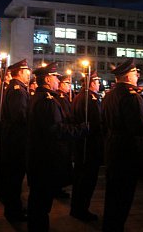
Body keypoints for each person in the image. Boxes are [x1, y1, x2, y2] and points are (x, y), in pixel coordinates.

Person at [26, 62, 86, 232]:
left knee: (38, 201)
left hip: (38, 157)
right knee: (41, 203)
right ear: (46, 79)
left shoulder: (38, 97)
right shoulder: (47, 100)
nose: (58, 81)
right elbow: (56, 130)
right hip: (45, 158)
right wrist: (81, 129)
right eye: (55, 77)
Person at [101, 58, 143, 232]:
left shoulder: (110, 95)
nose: (137, 76)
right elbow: (138, 127)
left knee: (113, 194)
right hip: (127, 151)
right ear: (128, 77)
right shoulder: (132, 96)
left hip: (113, 147)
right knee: (124, 196)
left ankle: (109, 226)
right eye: (135, 74)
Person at [0, 59, 31, 222]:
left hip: (14, 139)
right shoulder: (17, 90)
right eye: (27, 71)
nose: (29, 74)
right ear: (20, 72)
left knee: (14, 178)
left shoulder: (17, 88)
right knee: (14, 178)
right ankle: (13, 211)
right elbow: (21, 116)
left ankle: (14, 208)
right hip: (16, 140)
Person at [70, 71, 103, 221]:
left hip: (82, 144)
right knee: (86, 180)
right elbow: (96, 122)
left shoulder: (80, 96)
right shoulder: (89, 98)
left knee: (80, 179)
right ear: (91, 83)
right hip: (88, 145)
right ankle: (81, 209)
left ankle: (77, 208)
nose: (99, 84)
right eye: (97, 82)